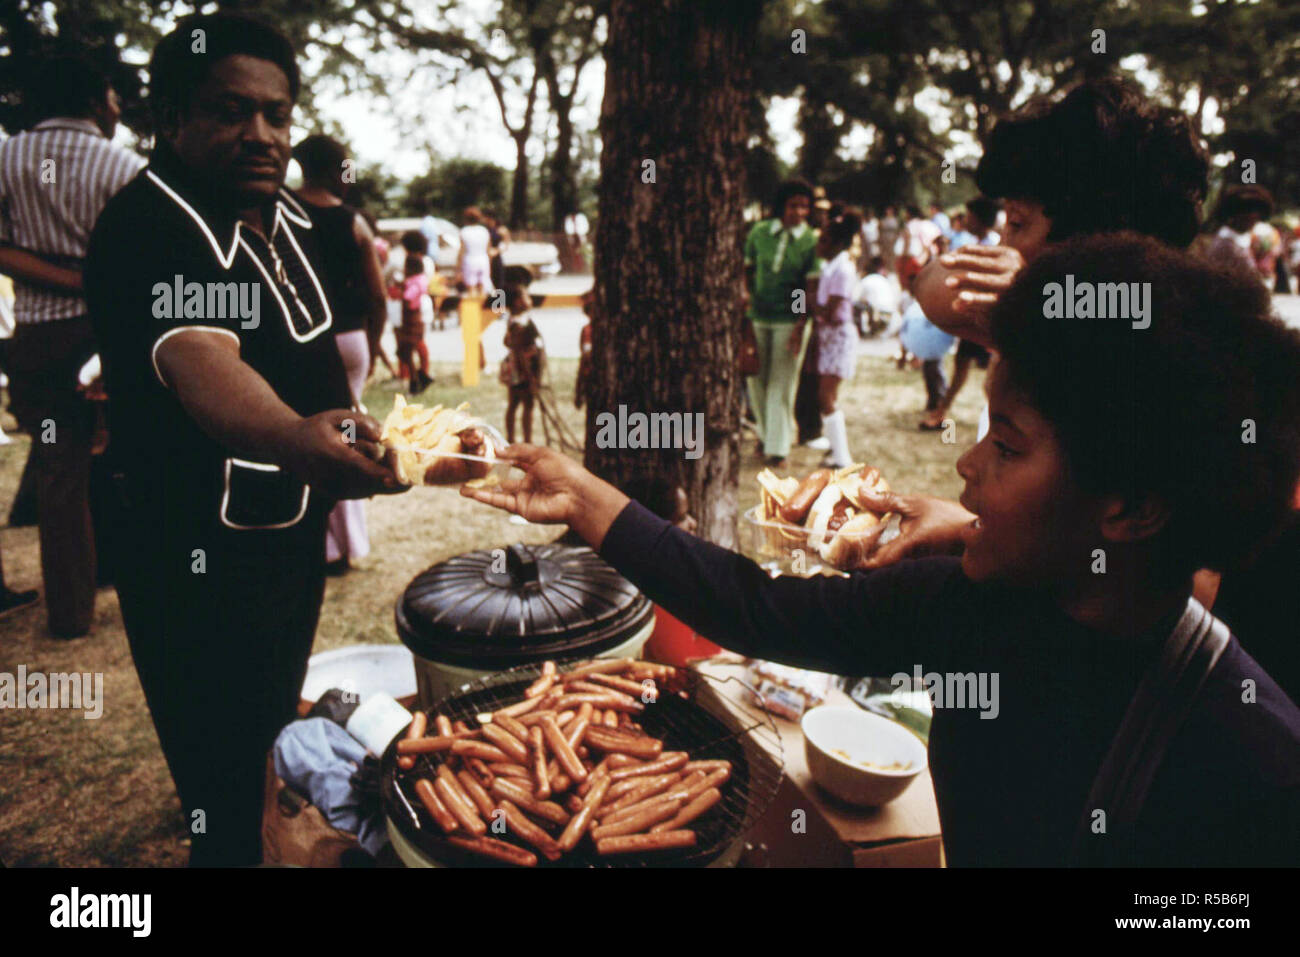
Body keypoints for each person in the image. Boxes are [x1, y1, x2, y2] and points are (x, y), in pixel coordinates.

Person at [464, 233, 1300, 867]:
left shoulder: (1253, 751)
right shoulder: (967, 602)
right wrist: (583, 496)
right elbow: (753, 605)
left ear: (1131, 510)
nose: (966, 467)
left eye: (1006, 446)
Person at [83, 12, 403, 866]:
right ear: (171, 116)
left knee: (265, 732)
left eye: (278, 114)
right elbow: (200, 359)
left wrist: (346, 434)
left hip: (283, 533)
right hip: (189, 553)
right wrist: (294, 434)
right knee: (218, 778)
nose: (262, 135)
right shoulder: (148, 228)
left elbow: (308, 348)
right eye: (231, 111)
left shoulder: (289, 218)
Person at [885, 75, 1211, 567]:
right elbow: (936, 287)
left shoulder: (1159, 351)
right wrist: (964, 528)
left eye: (1018, 224)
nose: (1003, 248)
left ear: (1089, 240)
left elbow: (1185, 578)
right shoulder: (1059, 319)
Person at [0, 53, 145, 638]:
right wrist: (94, 280)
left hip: (40, 337)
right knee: (140, 464)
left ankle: (69, 614)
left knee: (59, 475)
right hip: (116, 335)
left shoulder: (6, 157)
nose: (115, 107)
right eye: (111, 96)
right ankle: (148, 586)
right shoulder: (126, 166)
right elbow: (142, 260)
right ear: (93, 99)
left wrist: (61, 275)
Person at [292, 134, 388, 574]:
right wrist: (373, 343)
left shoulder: (282, 213)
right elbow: (378, 297)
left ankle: (326, 542)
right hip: (351, 339)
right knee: (349, 429)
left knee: (309, 430)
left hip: (303, 339)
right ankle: (348, 539)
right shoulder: (353, 222)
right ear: (335, 171)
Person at [743, 179, 823, 467]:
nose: (799, 211)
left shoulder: (810, 241)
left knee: (782, 382)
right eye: (793, 205)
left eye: (804, 206)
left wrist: (800, 326)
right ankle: (765, 437)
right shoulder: (760, 233)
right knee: (756, 381)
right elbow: (747, 272)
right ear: (781, 206)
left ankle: (777, 450)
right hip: (757, 317)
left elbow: (806, 288)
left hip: (789, 320)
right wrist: (746, 307)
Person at [921, 196, 1000, 430]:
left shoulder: (995, 245)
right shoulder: (972, 242)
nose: (966, 220)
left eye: (970, 216)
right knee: (963, 364)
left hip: (988, 316)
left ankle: (994, 420)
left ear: (980, 219)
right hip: (975, 315)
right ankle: (943, 411)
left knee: (992, 375)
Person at [813, 208, 862, 468]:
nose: (818, 244)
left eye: (824, 240)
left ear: (838, 244)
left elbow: (832, 313)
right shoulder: (829, 266)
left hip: (838, 335)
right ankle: (834, 451)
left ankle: (843, 458)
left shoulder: (843, 269)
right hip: (828, 336)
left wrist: (809, 302)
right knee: (826, 396)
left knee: (826, 396)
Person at [500, 282, 543, 444]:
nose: (530, 300)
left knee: (514, 403)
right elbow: (518, 350)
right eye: (527, 297)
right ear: (518, 301)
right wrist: (528, 374)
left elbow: (508, 342)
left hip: (519, 368)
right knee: (527, 404)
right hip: (522, 369)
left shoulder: (517, 320)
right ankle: (526, 440)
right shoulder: (519, 323)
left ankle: (512, 439)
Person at [1206, 185, 1274, 281]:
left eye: (1257, 217)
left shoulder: (1239, 237)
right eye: (1249, 215)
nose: (1253, 220)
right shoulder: (1226, 241)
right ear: (1235, 214)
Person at [397, 253, 432, 394]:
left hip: (412, 320)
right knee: (405, 351)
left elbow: (408, 297)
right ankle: (418, 377)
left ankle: (417, 380)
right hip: (413, 320)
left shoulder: (415, 282)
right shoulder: (420, 280)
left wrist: (400, 291)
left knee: (406, 350)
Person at [457, 206, 492, 295]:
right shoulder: (484, 231)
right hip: (483, 260)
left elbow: (461, 252)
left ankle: (473, 308)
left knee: (471, 288)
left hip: (470, 260)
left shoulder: (464, 231)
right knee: (482, 288)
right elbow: (488, 250)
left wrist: (458, 269)